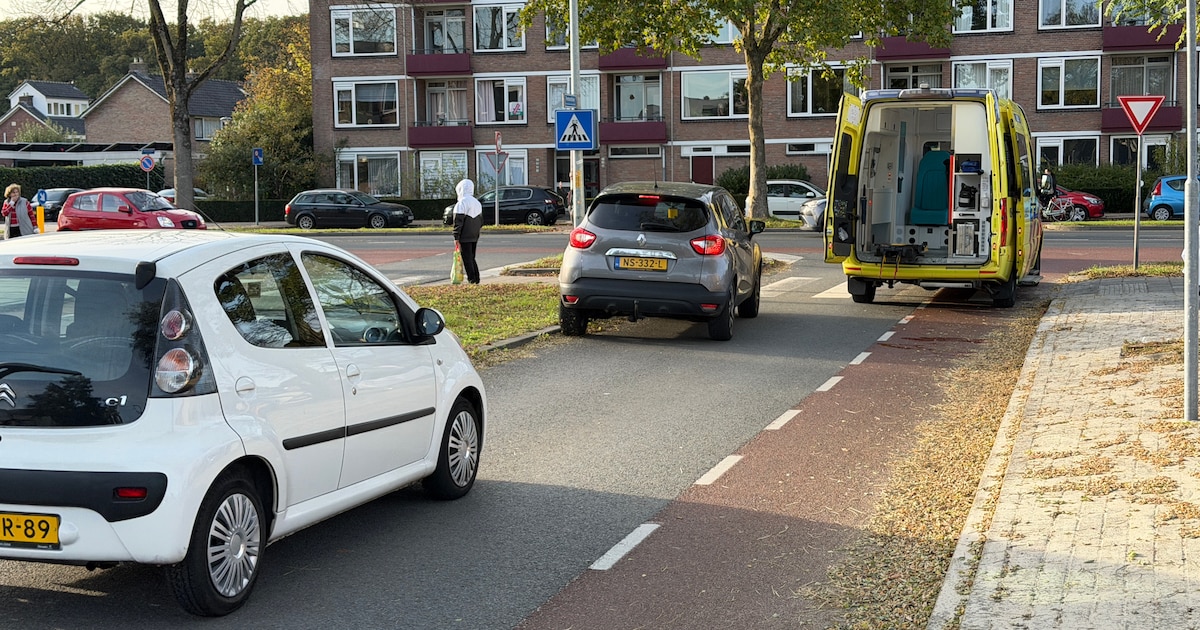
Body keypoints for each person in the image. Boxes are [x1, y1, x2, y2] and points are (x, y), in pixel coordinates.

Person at [452, 178, 483, 284]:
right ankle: (476, 278)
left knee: (467, 258)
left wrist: (456, 237)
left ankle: (472, 279)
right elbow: (481, 221)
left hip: (464, 235)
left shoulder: (461, 203)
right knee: (472, 257)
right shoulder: (477, 202)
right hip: (475, 234)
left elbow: (458, 222)